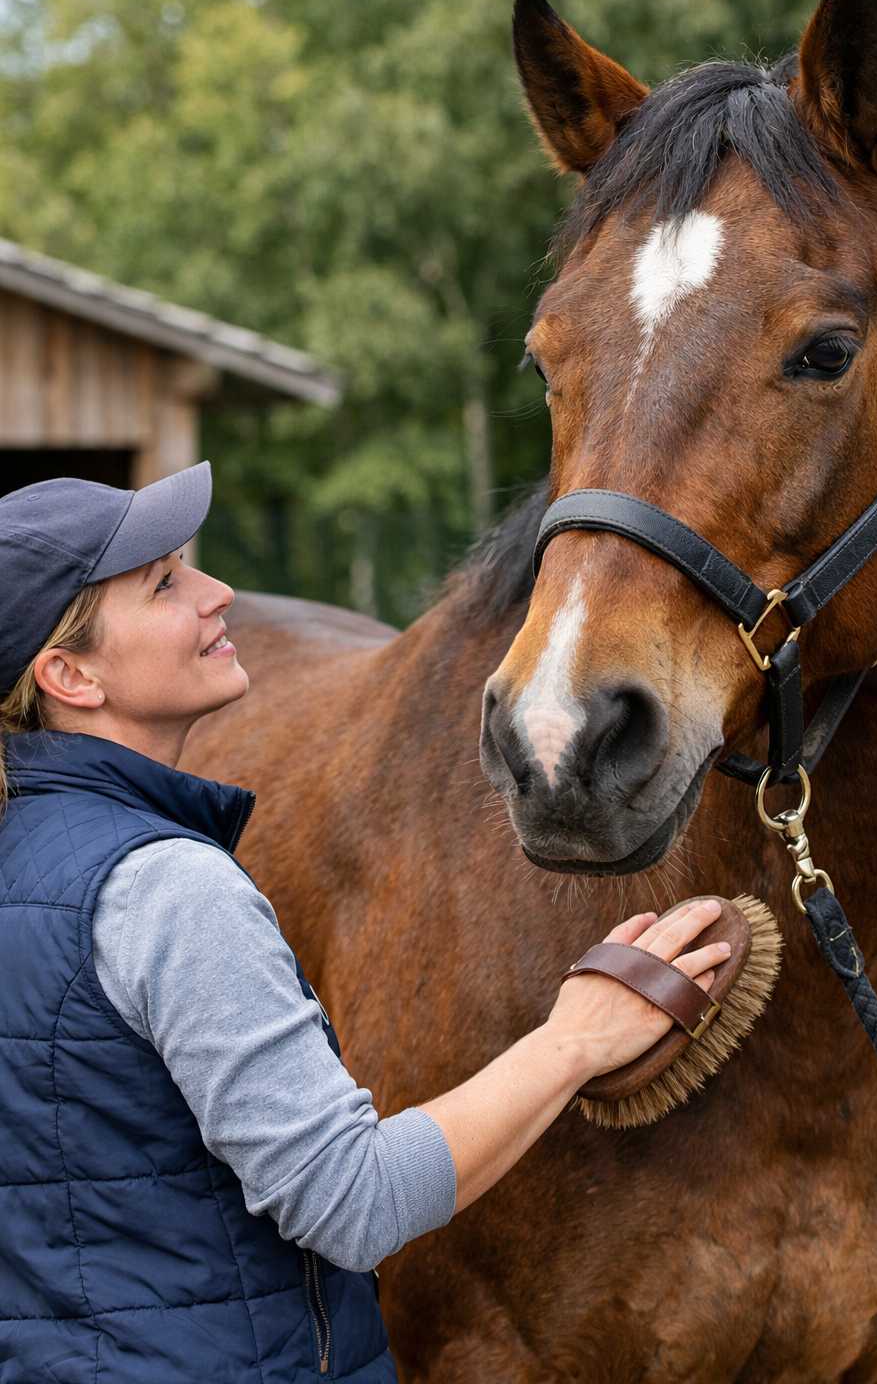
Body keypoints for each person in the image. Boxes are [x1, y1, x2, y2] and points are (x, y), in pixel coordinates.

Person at [0, 462, 731, 1383]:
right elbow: (351, 1203)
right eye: (165, 584)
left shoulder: (25, 851)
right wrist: (575, 1041)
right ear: (68, 673)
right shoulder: (171, 892)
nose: (219, 592)